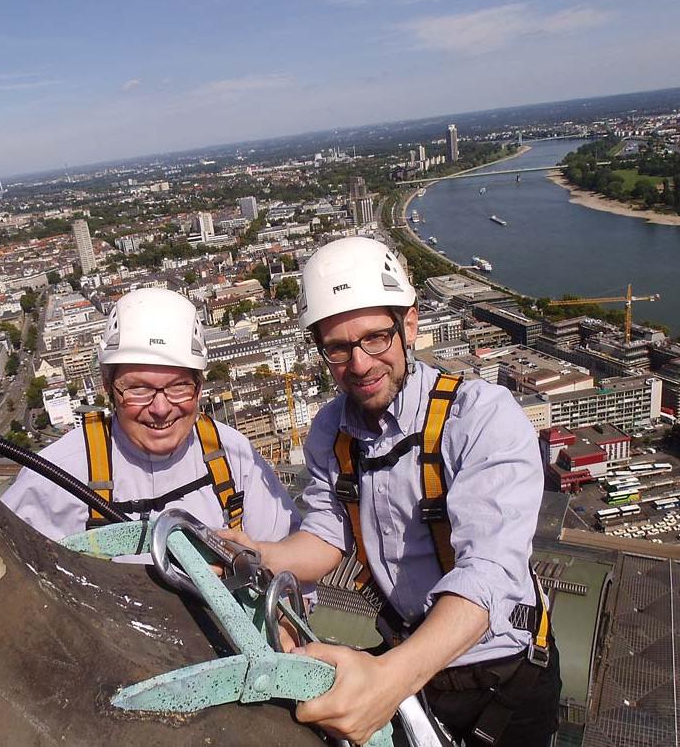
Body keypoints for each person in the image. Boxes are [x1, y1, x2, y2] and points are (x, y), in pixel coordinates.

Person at [223, 237, 561, 746]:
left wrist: (389, 679)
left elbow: (489, 571)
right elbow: (324, 538)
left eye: (376, 338)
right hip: (413, 660)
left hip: (503, 669)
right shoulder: (332, 432)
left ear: (409, 325)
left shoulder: (481, 416)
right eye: (337, 347)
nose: (359, 364)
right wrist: (250, 554)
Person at [3, 288, 299, 556]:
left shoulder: (234, 457)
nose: (160, 408)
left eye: (179, 386)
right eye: (139, 389)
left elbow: (287, 572)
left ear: (199, 385)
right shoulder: (56, 477)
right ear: (109, 387)